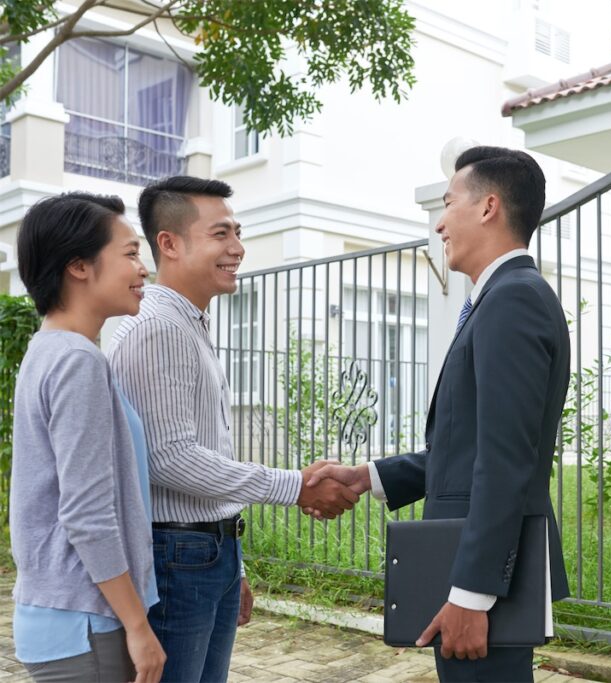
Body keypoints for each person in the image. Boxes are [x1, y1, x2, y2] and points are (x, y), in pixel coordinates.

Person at [307, 146, 571, 681]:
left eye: (448, 203)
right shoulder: (497, 297)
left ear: (488, 207)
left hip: (486, 583)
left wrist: (473, 595)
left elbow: (505, 463)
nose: (440, 221)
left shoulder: (512, 300)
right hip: (480, 574)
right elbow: (466, 448)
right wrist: (368, 476)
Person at [108, 176, 356, 682]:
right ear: (170, 243)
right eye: (221, 234)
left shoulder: (188, 324)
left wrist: (234, 565)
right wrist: (294, 485)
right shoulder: (157, 329)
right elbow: (169, 457)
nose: (238, 248)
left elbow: (201, 448)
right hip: (179, 558)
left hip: (208, 552)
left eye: (236, 233)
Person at [11, 192, 166, 682]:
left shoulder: (49, 349)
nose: (143, 269)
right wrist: (138, 626)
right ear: (79, 266)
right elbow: (86, 513)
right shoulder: (77, 361)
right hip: (86, 622)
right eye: (130, 253)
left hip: (66, 616)